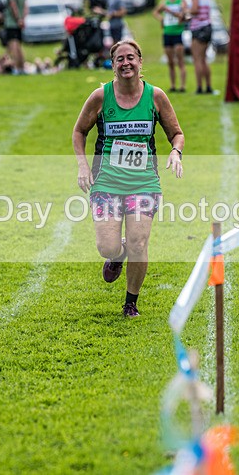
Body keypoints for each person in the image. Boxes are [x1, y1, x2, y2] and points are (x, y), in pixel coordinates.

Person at [72, 39, 185, 318]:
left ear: (140, 62)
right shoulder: (100, 96)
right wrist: (83, 166)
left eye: (131, 57)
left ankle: (130, 302)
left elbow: (177, 133)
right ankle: (116, 254)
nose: (126, 63)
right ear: (112, 65)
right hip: (107, 182)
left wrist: (175, 152)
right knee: (106, 246)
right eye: (120, 59)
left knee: (138, 242)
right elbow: (79, 132)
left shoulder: (155, 96)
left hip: (144, 182)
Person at [152, 0, 187, 92]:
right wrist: (161, 19)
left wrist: (170, 11)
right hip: (167, 33)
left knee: (180, 60)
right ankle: (173, 85)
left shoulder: (181, 2)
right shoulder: (164, 2)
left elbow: (183, 16)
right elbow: (155, 12)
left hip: (177, 32)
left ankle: (182, 86)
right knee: (170, 61)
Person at [184, 0, 214, 93]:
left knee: (197, 59)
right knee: (204, 58)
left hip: (198, 28)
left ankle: (199, 87)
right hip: (207, 26)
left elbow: (195, 10)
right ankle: (208, 86)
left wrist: (186, 11)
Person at [0, 0, 26, 74]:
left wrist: (18, 19)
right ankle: (21, 68)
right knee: (19, 46)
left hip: (12, 22)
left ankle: (17, 69)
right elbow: (25, 5)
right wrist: (23, 19)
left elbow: (12, 4)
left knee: (13, 45)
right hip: (20, 21)